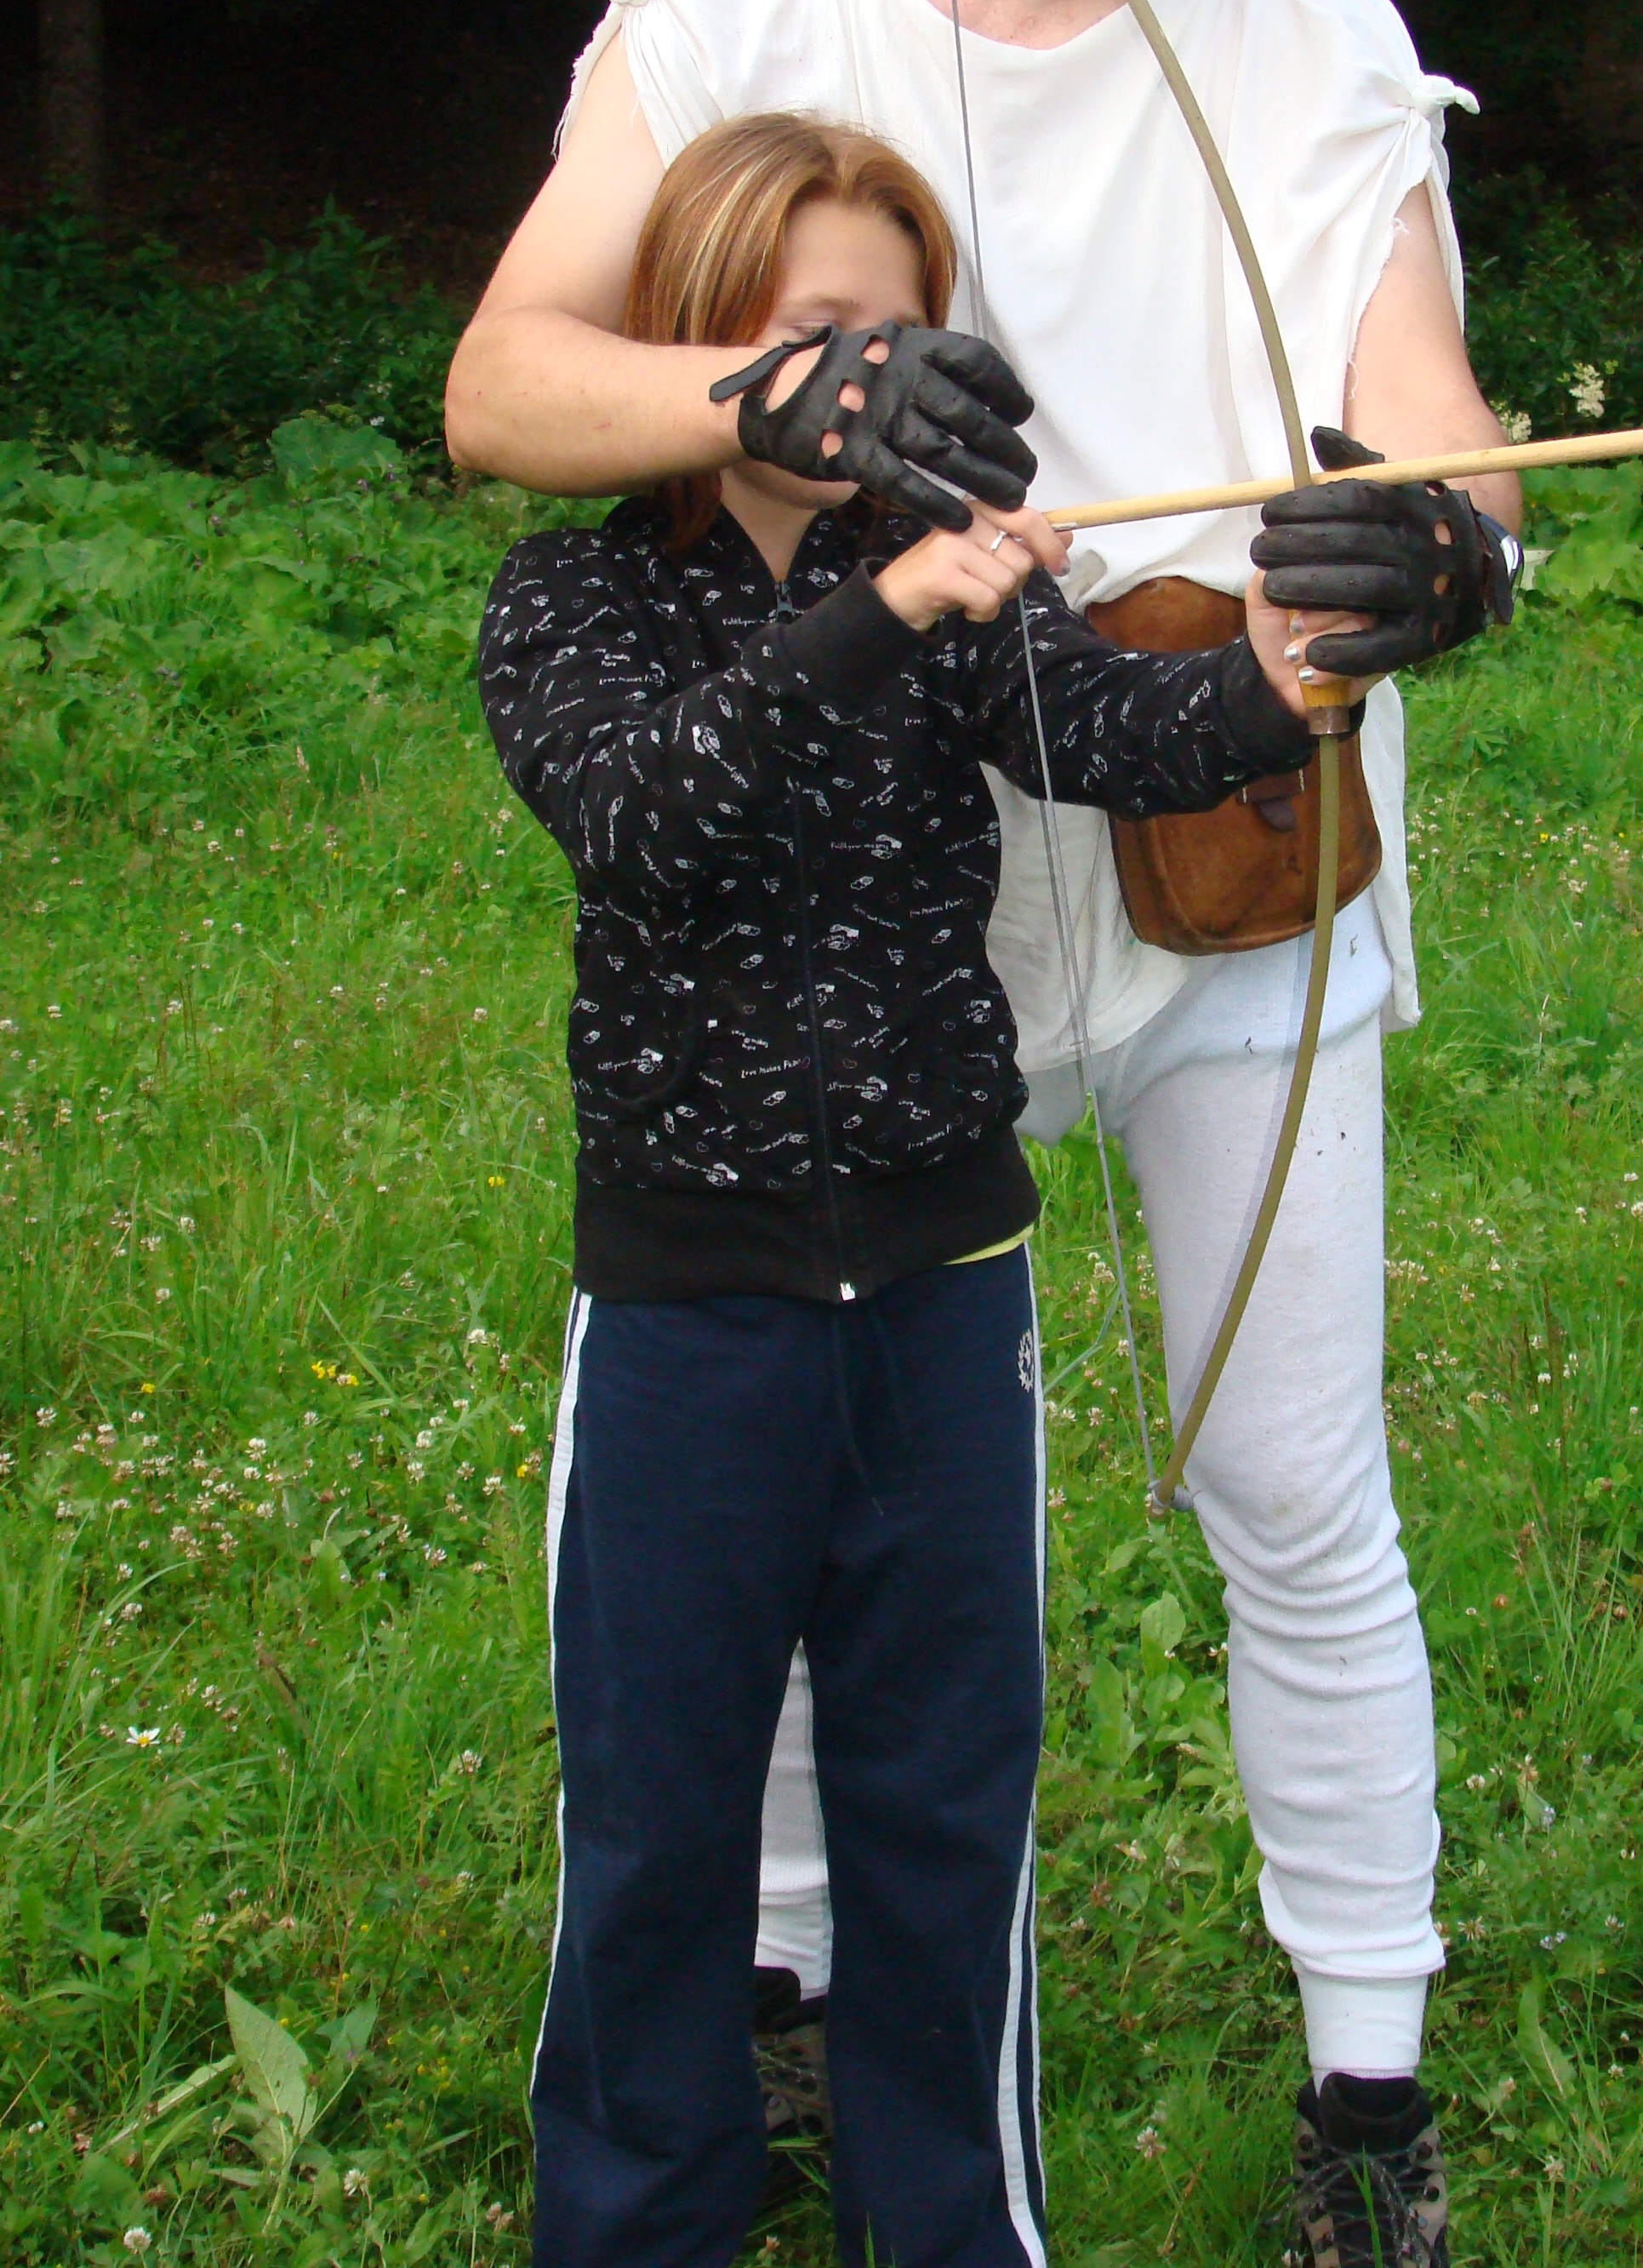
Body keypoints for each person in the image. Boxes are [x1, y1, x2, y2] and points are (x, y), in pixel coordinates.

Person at [448, 0, 1524, 2258]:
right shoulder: (732, 8)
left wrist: (1449, 549)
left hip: (1212, 823)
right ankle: (796, 2000)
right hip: (835, 881)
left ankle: (1366, 2092)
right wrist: (778, 389)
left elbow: (1432, 410)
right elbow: (510, 384)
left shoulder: (1306, 26)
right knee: (800, 1468)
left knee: (1290, 1474)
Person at [482, 109, 1376, 2268]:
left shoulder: (952, 570)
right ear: (711, 339)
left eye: (904, 338)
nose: (879, 385)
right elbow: (646, 818)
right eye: (827, 338)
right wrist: (883, 607)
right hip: (687, 1302)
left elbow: (1128, 738)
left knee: (944, 1819)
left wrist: (1297, 665)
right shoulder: (581, 590)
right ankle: (638, 2224)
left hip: (946, 1282)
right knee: (660, 1824)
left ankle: (957, 2225)